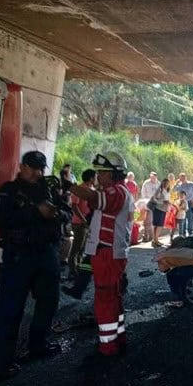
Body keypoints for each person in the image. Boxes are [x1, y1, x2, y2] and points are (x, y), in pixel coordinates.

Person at [0, 151, 71, 378]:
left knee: (48, 302)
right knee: (11, 309)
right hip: (19, 257)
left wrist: (56, 214)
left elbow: (67, 212)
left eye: (41, 168)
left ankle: (38, 345)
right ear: (22, 167)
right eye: (33, 168)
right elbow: (2, 219)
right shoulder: (8, 192)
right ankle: (2, 363)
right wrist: (35, 211)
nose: (37, 173)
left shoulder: (49, 189)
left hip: (47, 254)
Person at [70, 152, 133, 361]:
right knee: (113, 299)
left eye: (103, 173)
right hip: (107, 253)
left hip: (108, 254)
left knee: (105, 300)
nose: (99, 177)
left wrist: (68, 186)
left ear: (114, 174)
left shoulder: (116, 193)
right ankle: (118, 338)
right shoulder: (117, 191)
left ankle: (108, 346)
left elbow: (96, 199)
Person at [67, 169, 96, 280]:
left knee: (82, 248)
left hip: (85, 222)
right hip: (79, 223)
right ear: (91, 178)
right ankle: (72, 271)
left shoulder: (90, 189)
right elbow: (74, 206)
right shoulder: (80, 189)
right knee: (76, 247)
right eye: (95, 177)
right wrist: (83, 219)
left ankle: (78, 268)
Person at [140, 172, 159, 242]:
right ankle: (145, 235)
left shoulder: (158, 184)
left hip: (155, 203)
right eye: (151, 178)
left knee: (152, 220)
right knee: (145, 220)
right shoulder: (146, 183)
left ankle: (151, 236)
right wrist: (145, 200)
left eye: (154, 178)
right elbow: (143, 192)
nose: (152, 179)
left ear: (156, 177)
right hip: (147, 203)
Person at [151, 178, 171, 246]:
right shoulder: (160, 190)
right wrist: (163, 202)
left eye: (168, 183)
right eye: (166, 183)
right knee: (158, 225)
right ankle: (155, 240)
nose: (167, 184)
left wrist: (168, 203)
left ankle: (155, 240)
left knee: (158, 225)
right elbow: (154, 199)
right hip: (158, 209)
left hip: (163, 209)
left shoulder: (166, 191)